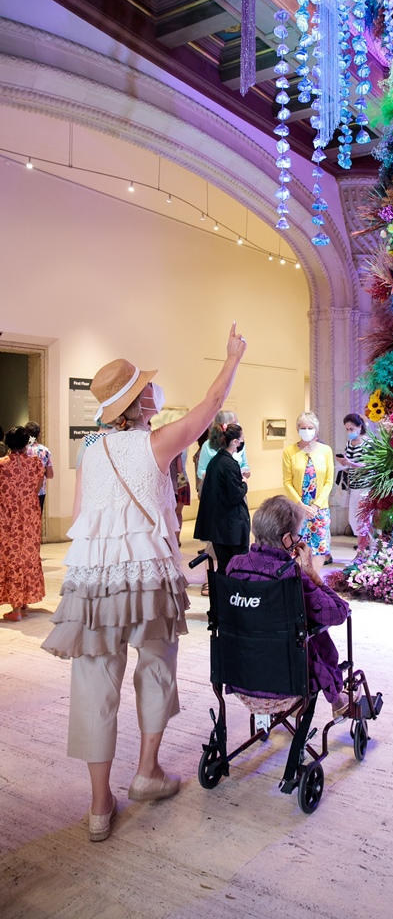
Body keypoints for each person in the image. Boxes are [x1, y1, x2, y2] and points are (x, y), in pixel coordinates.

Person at [41, 323, 247, 843]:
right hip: (147, 572)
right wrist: (232, 357)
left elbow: (78, 513)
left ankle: (96, 806)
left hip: (93, 579)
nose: (155, 390)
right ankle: (147, 773)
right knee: (156, 667)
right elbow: (212, 403)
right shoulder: (156, 444)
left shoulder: (91, 450)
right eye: (147, 386)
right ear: (139, 401)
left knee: (93, 682)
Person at [224, 495, 350, 715]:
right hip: (287, 683)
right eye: (297, 535)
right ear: (286, 540)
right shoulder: (290, 576)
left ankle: (336, 698)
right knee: (312, 633)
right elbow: (339, 612)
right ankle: (337, 698)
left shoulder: (234, 567)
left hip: (240, 676)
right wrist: (311, 573)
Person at [194, 422, 250, 578]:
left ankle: (223, 598)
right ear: (234, 442)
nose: (242, 442)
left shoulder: (215, 461)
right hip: (231, 527)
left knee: (223, 566)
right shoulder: (230, 464)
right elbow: (235, 496)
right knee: (238, 567)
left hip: (218, 526)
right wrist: (244, 485)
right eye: (242, 439)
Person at [0, 426, 45, 621]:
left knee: (10, 557)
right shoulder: (35, 463)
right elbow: (37, 488)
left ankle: (16, 608)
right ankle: (24, 601)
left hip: (7, 519)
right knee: (27, 555)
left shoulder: (1, 465)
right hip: (29, 518)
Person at [283, 412, 334, 574]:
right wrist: (301, 506)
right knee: (297, 547)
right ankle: (298, 582)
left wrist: (316, 505)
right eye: (303, 427)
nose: (306, 430)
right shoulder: (289, 452)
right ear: (297, 429)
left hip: (319, 509)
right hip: (298, 510)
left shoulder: (325, 451)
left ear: (316, 429)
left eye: (310, 427)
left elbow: (329, 481)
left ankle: (314, 581)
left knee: (319, 548)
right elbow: (287, 482)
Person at [338, 412, 371, 557]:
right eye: (346, 429)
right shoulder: (349, 444)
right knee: (353, 518)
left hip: (365, 487)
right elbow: (348, 462)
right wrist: (343, 464)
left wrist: (351, 463)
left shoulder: (368, 443)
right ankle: (363, 546)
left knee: (363, 518)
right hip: (353, 486)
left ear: (359, 427)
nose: (349, 432)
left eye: (351, 429)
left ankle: (362, 550)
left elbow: (371, 465)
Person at [196, 410, 251, 494]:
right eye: (235, 422)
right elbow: (201, 470)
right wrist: (210, 475)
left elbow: (244, 464)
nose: (238, 424)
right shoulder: (208, 445)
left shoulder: (239, 444)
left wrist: (246, 473)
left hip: (236, 488)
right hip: (215, 491)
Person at [25, 420, 53, 514]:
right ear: (39, 434)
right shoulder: (45, 451)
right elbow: (50, 474)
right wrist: (41, 472)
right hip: (40, 491)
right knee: (37, 518)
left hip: (24, 489)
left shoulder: (22, 450)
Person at [169, 450, 191, 545]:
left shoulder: (175, 448)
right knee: (178, 513)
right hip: (182, 482)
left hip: (173, 482)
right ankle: (177, 539)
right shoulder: (184, 448)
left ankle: (173, 540)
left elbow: (179, 469)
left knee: (171, 513)